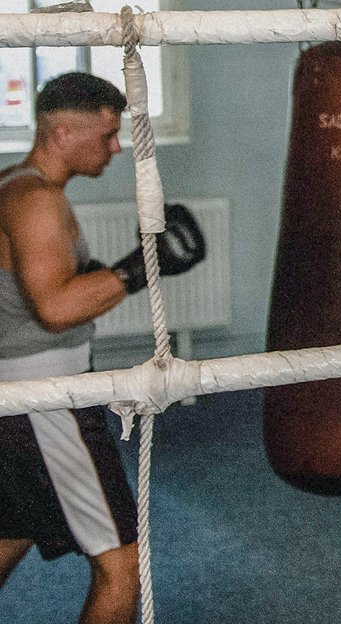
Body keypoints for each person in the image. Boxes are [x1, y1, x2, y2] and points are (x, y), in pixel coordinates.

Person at [0, 72, 205, 624]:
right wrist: (140, 269)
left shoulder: (13, 186)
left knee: (10, 533)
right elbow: (55, 307)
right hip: (44, 400)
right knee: (122, 563)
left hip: (16, 395)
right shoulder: (36, 200)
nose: (116, 148)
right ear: (63, 133)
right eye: (108, 134)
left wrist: (104, 276)